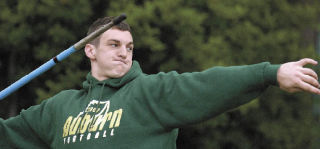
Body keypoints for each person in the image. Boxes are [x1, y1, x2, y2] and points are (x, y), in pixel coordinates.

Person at [0, 16, 320, 149]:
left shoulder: (150, 92)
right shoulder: (60, 107)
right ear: (89, 50)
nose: (124, 53)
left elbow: (209, 83)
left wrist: (269, 73)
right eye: (114, 45)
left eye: (129, 47)